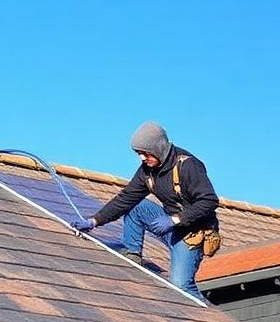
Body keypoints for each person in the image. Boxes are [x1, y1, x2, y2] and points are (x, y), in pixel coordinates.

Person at [71, 121, 219, 300]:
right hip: (171, 226)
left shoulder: (187, 166)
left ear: (159, 148)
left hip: (192, 233)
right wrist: (94, 221)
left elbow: (209, 201)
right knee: (136, 206)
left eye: (145, 153)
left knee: (180, 287)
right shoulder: (147, 171)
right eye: (138, 153)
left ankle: (205, 316)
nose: (142, 158)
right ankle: (132, 253)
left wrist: (175, 220)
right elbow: (126, 199)